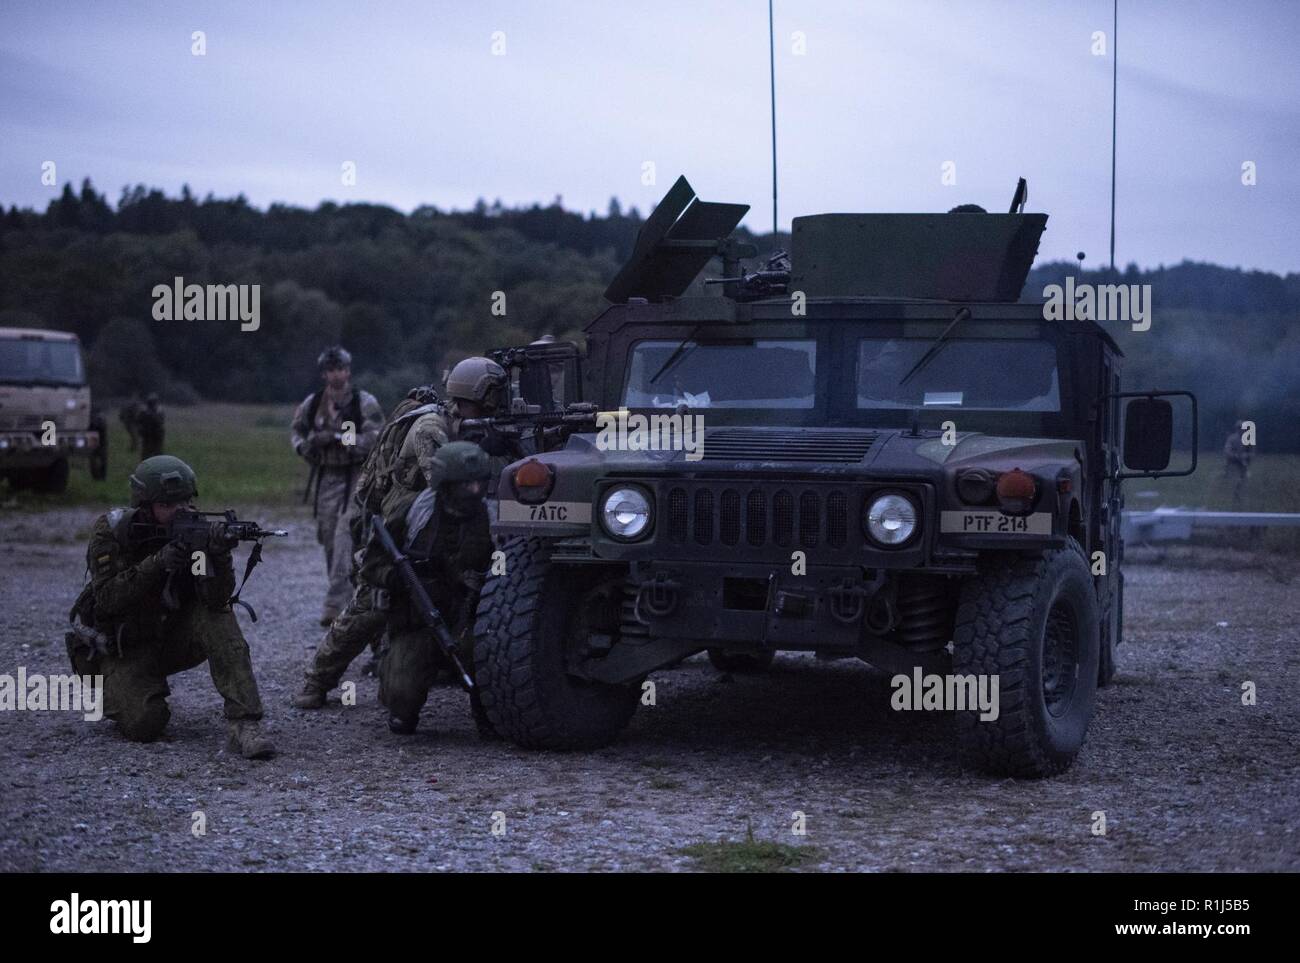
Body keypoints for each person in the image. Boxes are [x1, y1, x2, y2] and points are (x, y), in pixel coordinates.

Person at [290, 357, 512, 711]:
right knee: (371, 606)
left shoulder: (464, 424)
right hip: (399, 523)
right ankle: (318, 679)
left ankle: (405, 659)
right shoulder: (430, 428)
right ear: (479, 394)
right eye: (493, 396)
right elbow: (442, 482)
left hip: (435, 520)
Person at [67, 455, 275, 758]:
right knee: (146, 724)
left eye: (186, 502)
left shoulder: (196, 531)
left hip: (168, 639)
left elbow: (216, 601)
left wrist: (217, 555)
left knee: (218, 616)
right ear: (145, 505)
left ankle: (244, 725)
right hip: (123, 647)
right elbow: (108, 599)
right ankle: (116, 688)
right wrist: (157, 563)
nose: (181, 511)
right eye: (169, 505)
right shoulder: (113, 531)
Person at [358, 442, 493, 734]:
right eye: (465, 485)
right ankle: (397, 684)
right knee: (401, 696)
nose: (474, 492)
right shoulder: (414, 512)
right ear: (445, 485)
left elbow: (510, 570)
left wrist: (485, 581)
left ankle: (489, 712)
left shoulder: (493, 519)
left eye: (479, 484)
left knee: (492, 665)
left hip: (472, 621)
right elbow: (371, 563)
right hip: (417, 621)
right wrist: (396, 578)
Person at [291, 346, 384, 625]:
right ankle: (352, 598)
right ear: (324, 373)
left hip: (356, 476)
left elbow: (376, 437)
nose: (336, 374)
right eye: (330, 370)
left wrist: (338, 439)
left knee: (345, 537)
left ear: (348, 370)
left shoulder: (363, 402)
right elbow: (297, 432)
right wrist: (307, 446)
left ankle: (334, 606)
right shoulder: (313, 402)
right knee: (329, 539)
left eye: (340, 368)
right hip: (326, 478)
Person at [1223, 421, 1253, 508]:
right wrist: (1236, 456)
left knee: (1243, 481)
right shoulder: (1231, 439)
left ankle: (1238, 496)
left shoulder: (1248, 439)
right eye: (1239, 428)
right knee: (1234, 480)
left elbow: (1251, 452)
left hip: (1243, 464)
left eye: (1243, 428)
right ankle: (1232, 497)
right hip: (1233, 463)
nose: (1241, 429)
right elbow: (1227, 451)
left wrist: (1245, 457)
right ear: (1236, 428)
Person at [136, 393, 165, 460]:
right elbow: (139, 422)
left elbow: (160, 422)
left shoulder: (156, 412)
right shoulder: (147, 412)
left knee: (154, 451)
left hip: (154, 434)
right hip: (149, 434)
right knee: (148, 452)